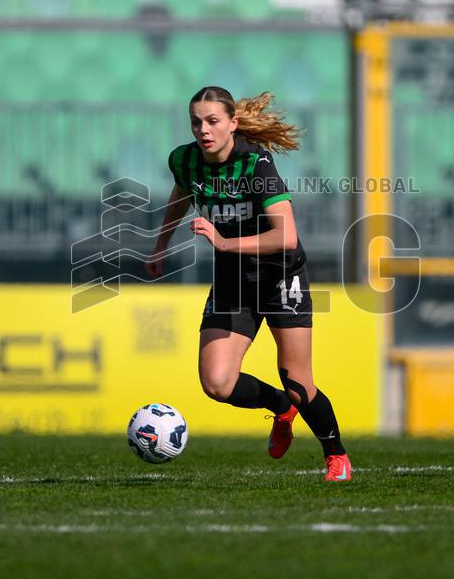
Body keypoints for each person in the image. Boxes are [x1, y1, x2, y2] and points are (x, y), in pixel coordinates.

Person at [146, 86, 351, 482]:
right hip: (234, 277)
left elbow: (286, 236)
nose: (203, 130)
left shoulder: (255, 165)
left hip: (280, 275)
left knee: (297, 381)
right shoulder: (184, 160)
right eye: (196, 122)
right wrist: (160, 245)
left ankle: (336, 454)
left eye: (212, 121)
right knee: (217, 383)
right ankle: (281, 409)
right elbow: (183, 192)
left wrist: (224, 243)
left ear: (233, 123)